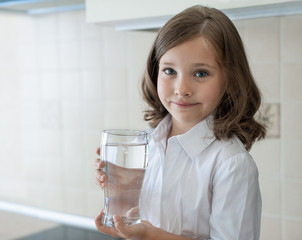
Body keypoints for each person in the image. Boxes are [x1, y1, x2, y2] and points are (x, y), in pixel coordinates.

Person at [95, 5, 266, 240]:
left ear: (230, 79)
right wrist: (120, 189)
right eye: (169, 71)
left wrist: (149, 236)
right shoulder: (147, 143)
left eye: (201, 74)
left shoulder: (231, 164)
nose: (182, 89)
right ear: (155, 71)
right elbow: (141, 214)